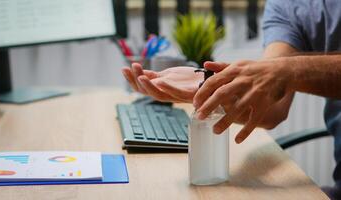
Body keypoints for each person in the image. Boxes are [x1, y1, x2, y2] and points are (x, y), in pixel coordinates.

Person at [122, 0, 341, 198]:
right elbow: (273, 106)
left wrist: (289, 70)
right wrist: (218, 92)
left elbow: (280, 71)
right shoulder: (287, 6)